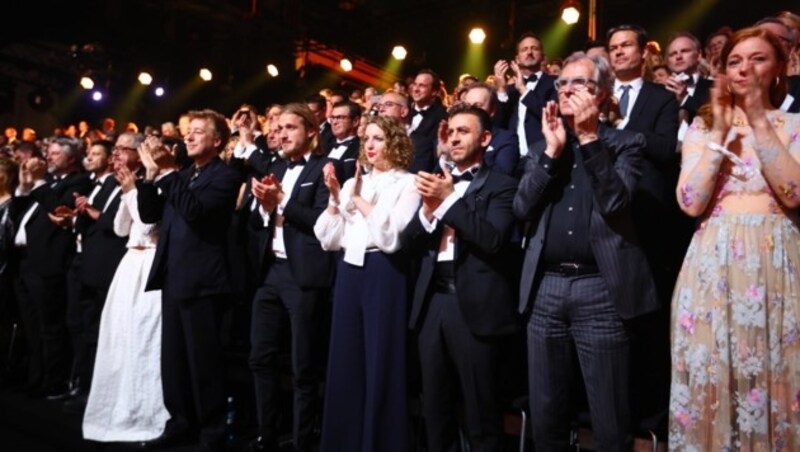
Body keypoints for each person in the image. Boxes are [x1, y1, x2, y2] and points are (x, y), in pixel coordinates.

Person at [514, 52, 657, 451]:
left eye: (580, 84)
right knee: (546, 420)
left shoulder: (626, 143)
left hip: (601, 290)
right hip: (545, 288)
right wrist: (551, 154)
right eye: (562, 84)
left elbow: (616, 204)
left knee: (610, 424)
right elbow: (522, 208)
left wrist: (590, 139)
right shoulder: (547, 146)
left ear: (604, 95)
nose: (567, 90)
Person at [670, 27, 800, 450]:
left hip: (777, 265)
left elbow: (793, 193)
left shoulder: (795, 125)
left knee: (778, 378)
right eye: (735, 61)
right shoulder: (703, 127)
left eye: (758, 58)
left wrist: (759, 120)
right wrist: (720, 134)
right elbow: (690, 201)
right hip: (713, 268)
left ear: (780, 67)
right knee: (714, 382)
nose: (745, 68)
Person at [403, 104, 520, 451]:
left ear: (485, 138)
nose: (454, 137)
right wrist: (428, 210)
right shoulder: (434, 181)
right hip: (432, 304)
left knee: (481, 414)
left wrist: (448, 199)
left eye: (463, 131)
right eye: (450, 131)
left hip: (474, 309)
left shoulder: (503, 185)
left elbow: (492, 239)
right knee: (435, 411)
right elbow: (409, 243)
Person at [314, 115, 419, 452]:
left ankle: (381, 443)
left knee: (382, 361)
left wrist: (358, 199)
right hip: (349, 272)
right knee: (345, 360)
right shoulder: (349, 183)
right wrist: (335, 197)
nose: (371, 146)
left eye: (379, 138)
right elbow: (328, 238)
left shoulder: (410, 183)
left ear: (395, 143)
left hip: (385, 272)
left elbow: (392, 237)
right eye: (367, 139)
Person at [137, 109, 240, 452]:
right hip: (174, 276)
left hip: (203, 281)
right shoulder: (185, 175)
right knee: (174, 361)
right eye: (188, 132)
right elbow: (150, 214)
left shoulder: (224, 177)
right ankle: (180, 421)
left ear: (217, 140)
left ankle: (211, 431)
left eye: (198, 132)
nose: (189, 137)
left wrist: (167, 173)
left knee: (203, 362)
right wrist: (151, 177)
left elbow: (195, 213)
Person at [247, 103, 336, 452]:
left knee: (303, 366)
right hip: (270, 272)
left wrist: (281, 200)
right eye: (278, 128)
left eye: (290, 128)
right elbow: (255, 224)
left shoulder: (323, 167)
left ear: (312, 131)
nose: (281, 134)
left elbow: (321, 222)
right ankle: (267, 435)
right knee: (260, 358)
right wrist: (264, 207)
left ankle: (303, 441)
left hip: (304, 276)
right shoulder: (274, 166)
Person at [82, 136, 170, 442]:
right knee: (117, 336)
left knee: (143, 338)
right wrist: (126, 193)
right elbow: (121, 228)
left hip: (149, 265)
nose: (117, 155)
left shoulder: (157, 183)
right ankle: (113, 405)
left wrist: (135, 190)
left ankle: (145, 413)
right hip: (129, 263)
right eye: (116, 149)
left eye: (123, 149)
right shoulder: (130, 185)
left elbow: (148, 226)